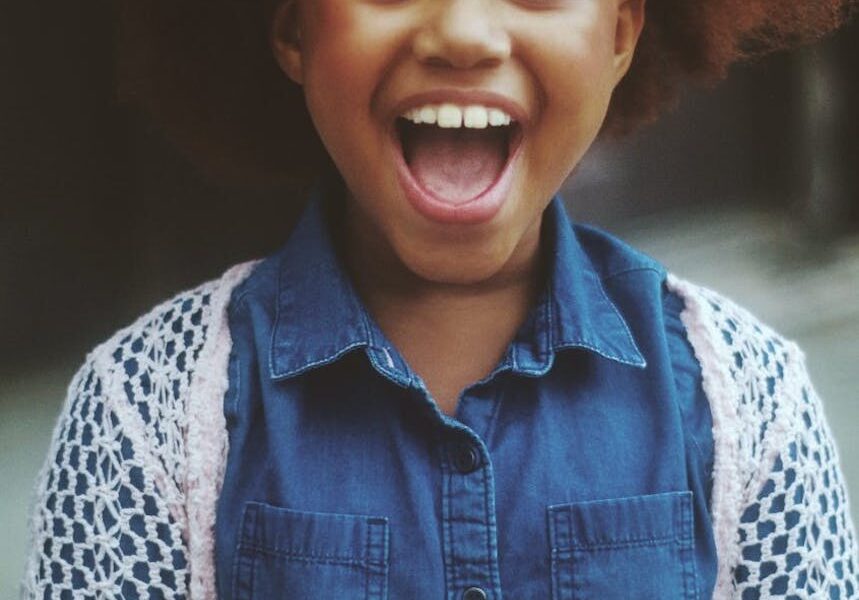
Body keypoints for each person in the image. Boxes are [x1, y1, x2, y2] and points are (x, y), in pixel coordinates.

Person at [21, 0, 858, 598]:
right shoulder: (143, 413)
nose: (462, 30)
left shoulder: (747, 398)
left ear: (619, 32)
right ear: (291, 28)